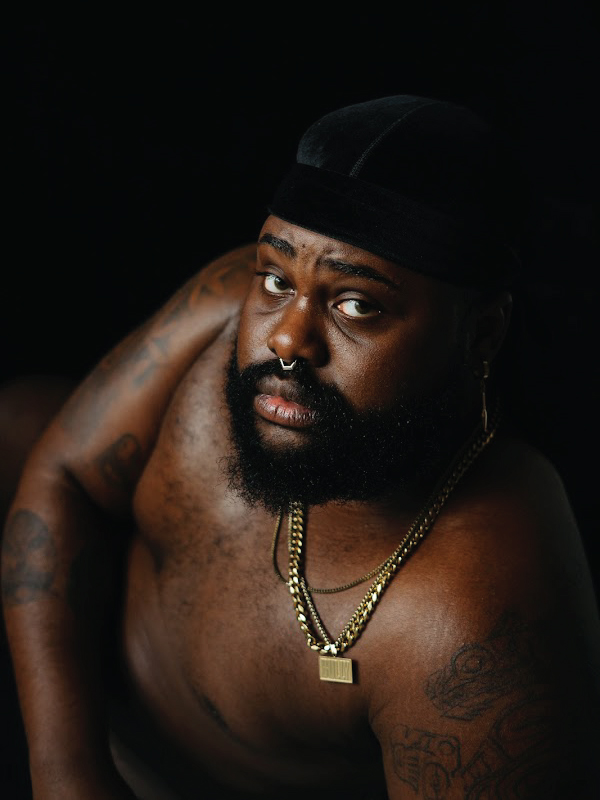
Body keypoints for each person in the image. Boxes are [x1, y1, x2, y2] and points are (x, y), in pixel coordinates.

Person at [1, 94, 599, 799]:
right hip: (67, 719)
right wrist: (67, 772)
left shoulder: (476, 616)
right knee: (21, 416)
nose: (287, 337)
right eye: (279, 280)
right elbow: (67, 474)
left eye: (355, 305)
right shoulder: (227, 303)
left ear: (481, 336)